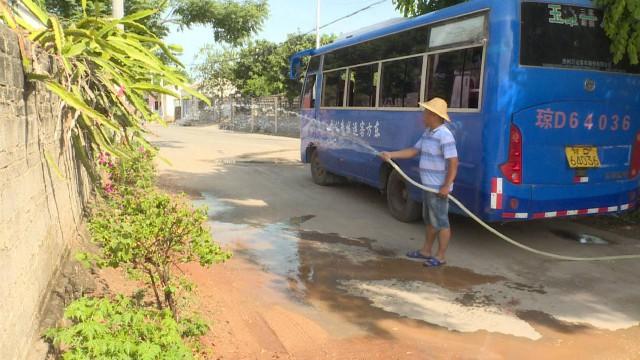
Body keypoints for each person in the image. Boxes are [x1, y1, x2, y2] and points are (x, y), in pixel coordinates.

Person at [380, 97, 459, 267]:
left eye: (425, 112)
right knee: (429, 220)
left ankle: (440, 256)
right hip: (427, 187)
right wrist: (391, 155)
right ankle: (426, 251)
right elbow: (413, 151)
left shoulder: (445, 136)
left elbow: (453, 162)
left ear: (434, 115)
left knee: (441, 222)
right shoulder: (428, 133)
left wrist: (446, 186)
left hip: (438, 189)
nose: (423, 116)